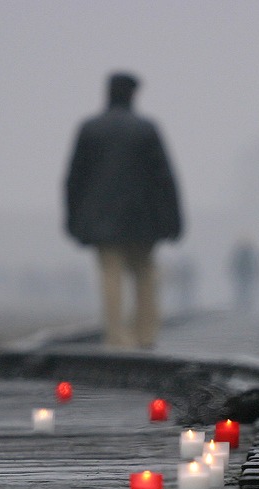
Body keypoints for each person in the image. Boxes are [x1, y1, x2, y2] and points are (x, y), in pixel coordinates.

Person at [64, 71, 182, 349]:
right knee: (144, 273)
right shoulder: (146, 129)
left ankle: (117, 337)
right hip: (143, 219)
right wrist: (173, 220)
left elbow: (75, 179)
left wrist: (73, 219)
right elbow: (163, 178)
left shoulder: (90, 129)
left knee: (110, 275)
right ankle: (145, 334)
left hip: (102, 220)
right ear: (133, 95)